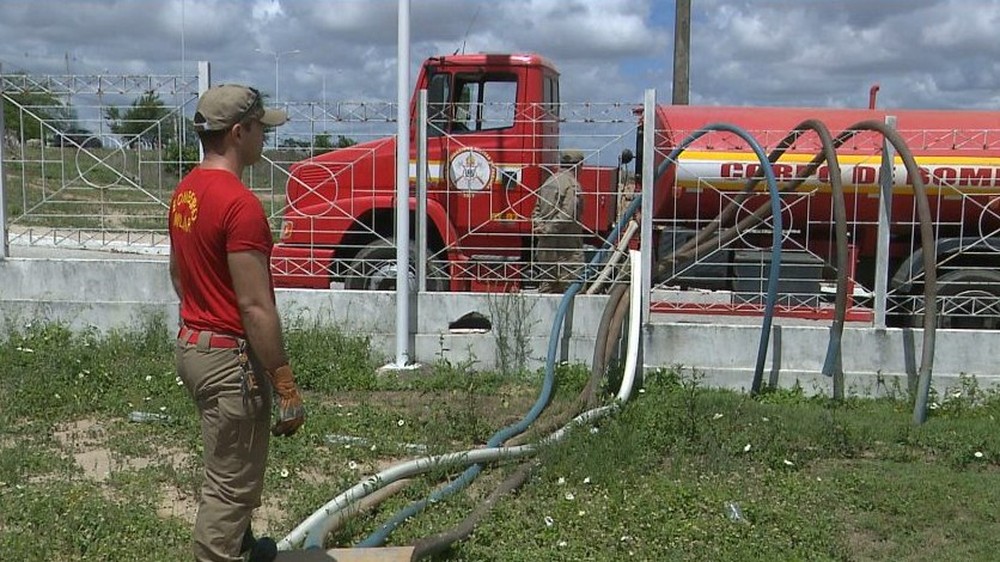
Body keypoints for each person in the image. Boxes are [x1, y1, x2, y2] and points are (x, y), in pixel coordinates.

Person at [168, 84, 306, 562]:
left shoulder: (186, 192)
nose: (266, 137)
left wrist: (206, 312)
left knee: (229, 459)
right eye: (261, 128)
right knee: (230, 489)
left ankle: (245, 549)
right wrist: (284, 382)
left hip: (194, 346)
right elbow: (255, 306)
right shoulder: (240, 205)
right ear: (237, 132)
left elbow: (178, 276)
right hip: (228, 360)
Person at [532, 150, 585, 293]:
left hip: (545, 248)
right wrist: (548, 229)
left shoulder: (549, 182)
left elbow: (536, 210)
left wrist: (540, 227)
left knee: (547, 289)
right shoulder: (572, 185)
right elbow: (568, 215)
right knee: (574, 289)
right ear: (579, 165)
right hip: (566, 250)